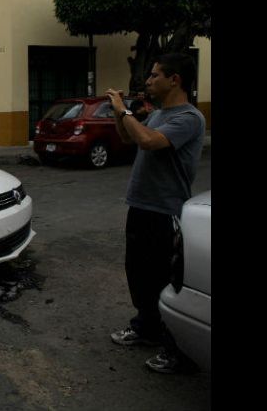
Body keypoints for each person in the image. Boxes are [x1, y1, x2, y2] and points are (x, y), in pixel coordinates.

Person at [106, 53, 205, 374]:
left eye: (154, 75)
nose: (147, 81)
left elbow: (148, 141)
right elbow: (129, 137)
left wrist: (124, 110)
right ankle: (146, 328)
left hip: (165, 211)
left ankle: (178, 350)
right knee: (139, 275)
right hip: (140, 205)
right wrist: (119, 113)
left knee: (164, 280)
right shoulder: (159, 114)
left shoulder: (189, 118)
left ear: (174, 80)